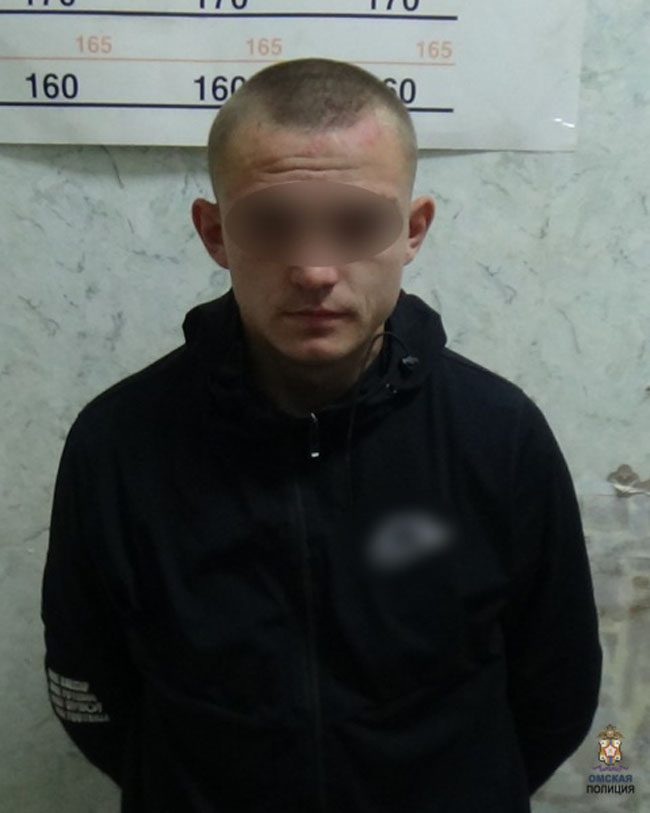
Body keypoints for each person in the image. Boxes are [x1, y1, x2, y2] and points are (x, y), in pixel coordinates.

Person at [41, 58, 602, 812]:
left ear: (412, 230)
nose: (313, 269)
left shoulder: (500, 435)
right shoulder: (118, 443)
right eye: (271, 224)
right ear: (214, 232)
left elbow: (557, 688)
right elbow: (93, 691)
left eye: (357, 223)